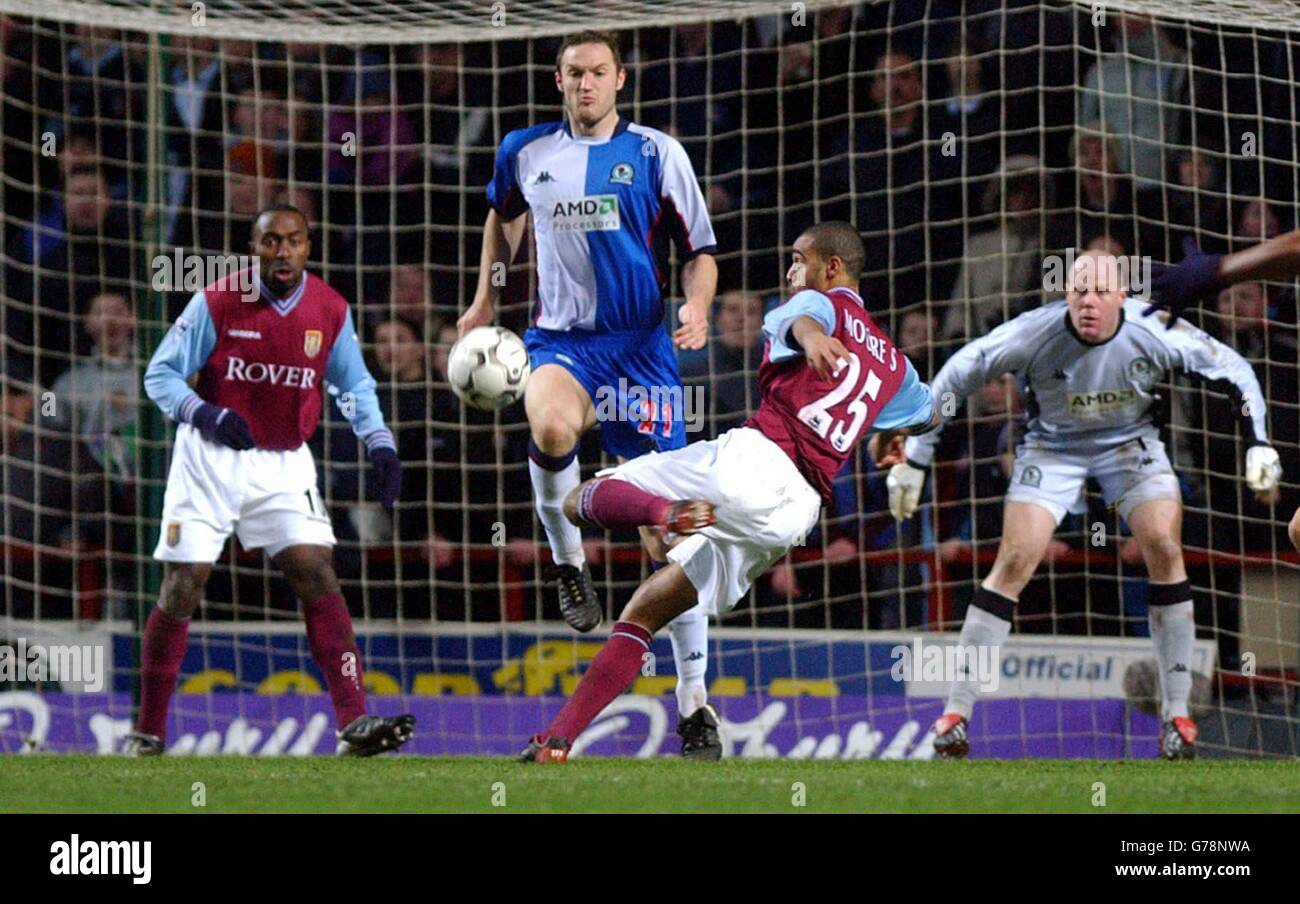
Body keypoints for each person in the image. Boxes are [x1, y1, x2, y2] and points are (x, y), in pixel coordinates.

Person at [516, 221, 937, 763]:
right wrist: (894, 434)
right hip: (796, 515)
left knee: (580, 500)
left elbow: (799, 322)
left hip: (754, 462)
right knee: (649, 607)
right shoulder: (895, 364)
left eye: (797, 258)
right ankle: (558, 738)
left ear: (831, 268)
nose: (790, 271)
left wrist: (810, 336)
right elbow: (927, 412)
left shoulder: (824, 306)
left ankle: (666, 513)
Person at [889, 250, 1282, 760]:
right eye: (1078, 293)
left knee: (1163, 547)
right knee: (1013, 561)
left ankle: (1177, 716)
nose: (1088, 303)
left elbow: (1233, 369)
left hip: (1131, 447)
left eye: (1100, 292)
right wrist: (916, 458)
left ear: (1123, 294)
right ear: (1065, 295)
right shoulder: (1033, 332)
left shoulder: (1156, 327)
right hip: (1052, 449)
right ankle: (955, 714)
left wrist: (1259, 441)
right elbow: (958, 374)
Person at [458, 31, 723, 757]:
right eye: (573, 73)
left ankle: (694, 699)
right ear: (558, 80)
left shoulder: (657, 153)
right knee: (548, 429)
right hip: (561, 344)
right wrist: (485, 300)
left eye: (598, 73)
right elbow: (504, 213)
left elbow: (700, 250)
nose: (585, 84)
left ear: (620, 80)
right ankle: (569, 563)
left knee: (670, 540)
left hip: (643, 354)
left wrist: (696, 307)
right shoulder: (526, 150)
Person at [123, 204, 412, 757]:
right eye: (270, 241)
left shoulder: (328, 309)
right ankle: (148, 731)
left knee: (315, 570)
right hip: (210, 456)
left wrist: (379, 442)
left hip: (282, 461)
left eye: (294, 241)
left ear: (309, 245)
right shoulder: (217, 300)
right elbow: (159, 373)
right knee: (186, 581)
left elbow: (354, 385)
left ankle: (354, 723)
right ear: (252, 248)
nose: (282, 252)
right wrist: (205, 414)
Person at [1143, 226, 1300, 553]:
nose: (1235, 306)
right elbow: (1181, 437)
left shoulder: (1290, 356)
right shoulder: (1199, 362)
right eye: (1228, 297)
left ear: (1264, 302)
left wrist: (1219, 270)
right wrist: (1202, 499)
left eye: (1245, 296)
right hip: (1223, 503)